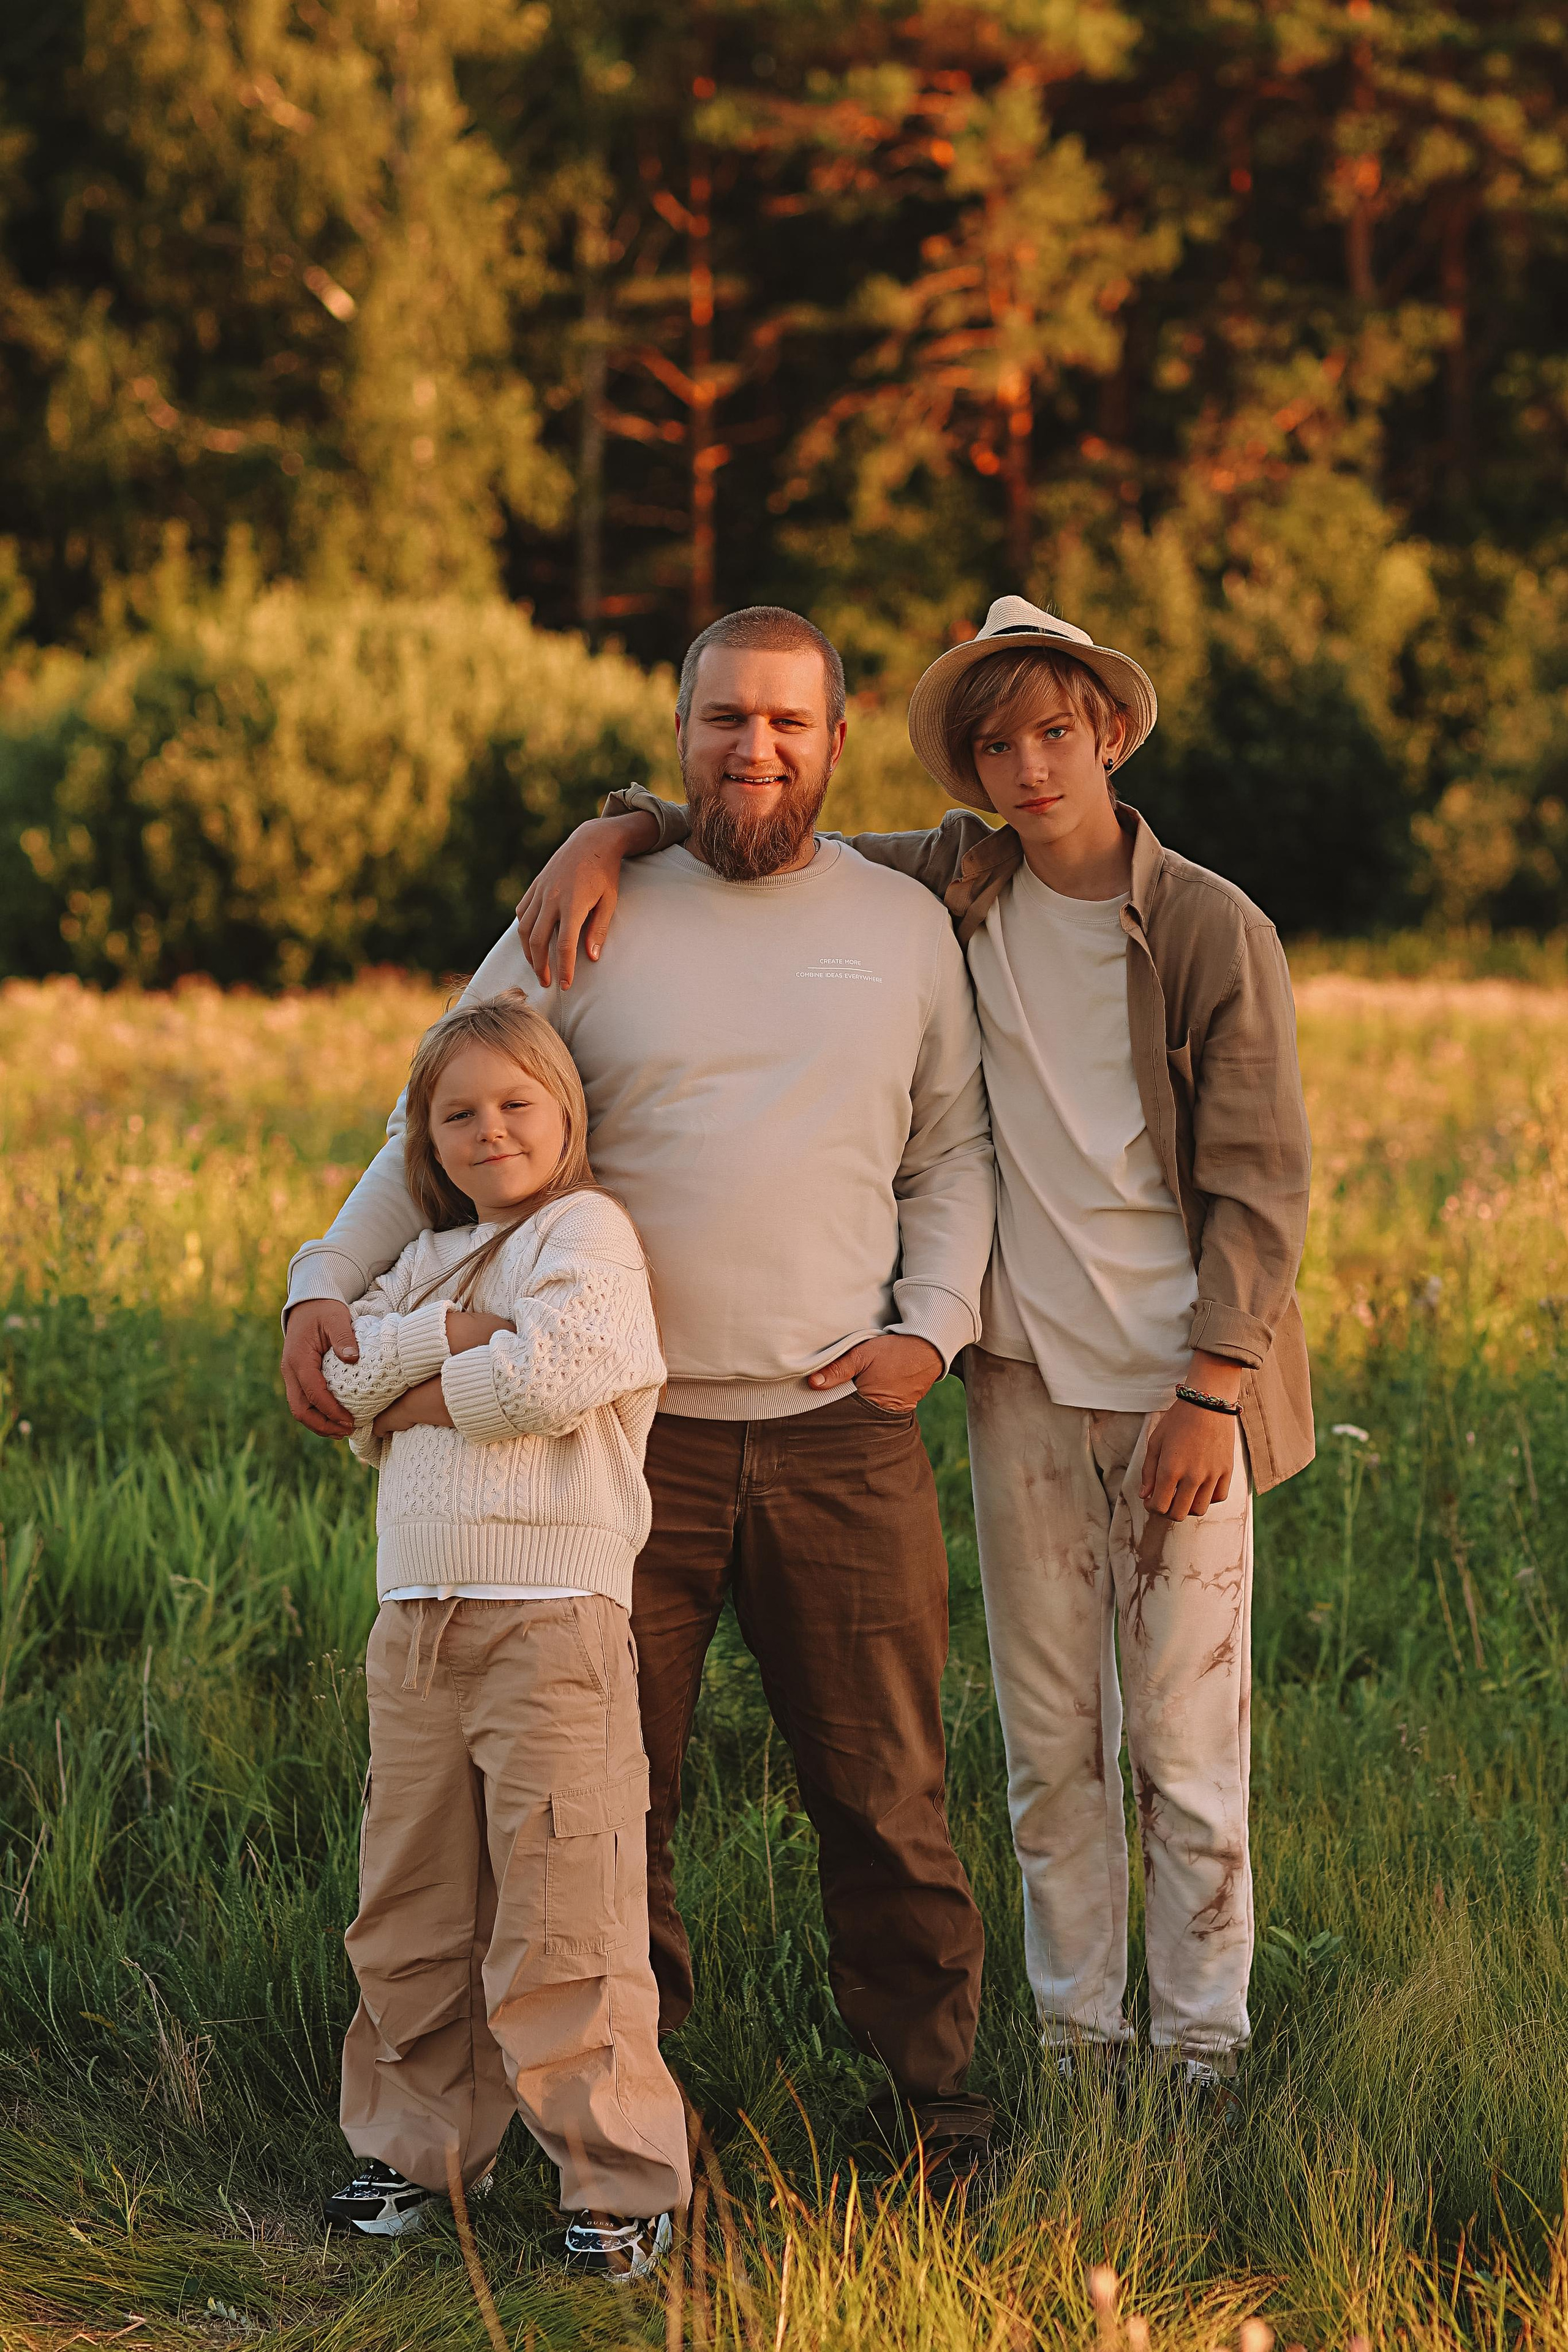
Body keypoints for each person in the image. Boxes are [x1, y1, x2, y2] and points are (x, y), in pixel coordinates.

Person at [518, 595, 1314, 2102]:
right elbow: (758, 829)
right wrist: (605, 833)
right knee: (1047, 1748)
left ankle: (1199, 2059)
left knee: (1185, 1749)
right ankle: (1081, 2052)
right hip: (1015, 1383)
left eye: (1056, 735)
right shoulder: (949, 885)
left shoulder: (1206, 923)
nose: (1028, 767)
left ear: (1109, 735)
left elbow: (1264, 1185)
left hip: (1177, 1392)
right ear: (965, 768)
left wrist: (1213, 1382)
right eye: (996, 744)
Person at [282, 608, 997, 2186]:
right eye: (723, 719)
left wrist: (932, 1328)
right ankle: (623, 2108)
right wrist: (320, 1281)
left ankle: (932, 2099)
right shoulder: (585, 914)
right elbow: (438, 1106)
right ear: (676, 735)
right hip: (617, 1444)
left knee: (882, 1790)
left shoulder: (898, 927)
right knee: (614, 1803)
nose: (754, 749)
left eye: (787, 724)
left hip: (838, 1436)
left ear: (833, 735)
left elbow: (950, 1153)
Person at [317, 989, 690, 2278]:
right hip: (414, 1618)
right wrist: (450, 1343)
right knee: (409, 1903)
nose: (488, 1132)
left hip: (551, 1622)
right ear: (424, 1137)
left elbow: (559, 1371)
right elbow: (348, 1379)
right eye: (456, 1114)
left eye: (514, 1104)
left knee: (564, 1908)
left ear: (566, 1113)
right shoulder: (425, 1255)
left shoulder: (586, 1232)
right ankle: (413, 2149)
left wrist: (425, 1382)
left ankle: (613, 2179)